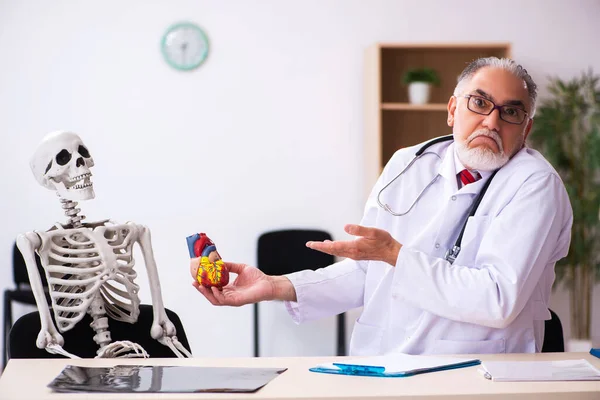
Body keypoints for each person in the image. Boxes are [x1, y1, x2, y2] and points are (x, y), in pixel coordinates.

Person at [193, 57, 573, 356]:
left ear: (525, 129)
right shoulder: (407, 163)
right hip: (382, 362)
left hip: (476, 369)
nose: (492, 120)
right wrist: (276, 285)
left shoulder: (534, 185)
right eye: (480, 102)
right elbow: (367, 274)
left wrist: (394, 254)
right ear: (453, 109)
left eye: (511, 111)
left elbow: (497, 299)